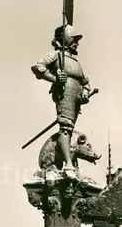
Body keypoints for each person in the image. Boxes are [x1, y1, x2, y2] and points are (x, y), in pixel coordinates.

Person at [31, 24, 91, 179]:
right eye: (74, 39)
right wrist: (55, 79)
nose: (77, 43)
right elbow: (38, 67)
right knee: (65, 127)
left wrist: (85, 93)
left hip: (75, 96)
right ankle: (68, 165)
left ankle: (68, 161)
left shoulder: (76, 62)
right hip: (64, 93)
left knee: (69, 129)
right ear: (65, 40)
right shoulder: (57, 55)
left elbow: (85, 82)